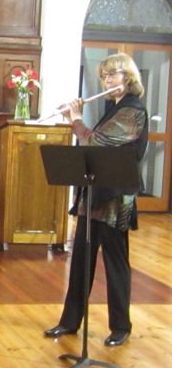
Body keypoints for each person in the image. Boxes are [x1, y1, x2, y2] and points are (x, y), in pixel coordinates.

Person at [44, 53, 148, 347]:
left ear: (128, 77)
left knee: (116, 264)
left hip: (115, 200)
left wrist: (76, 119)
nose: (107, 80)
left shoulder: (134, 110)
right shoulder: (114, 108)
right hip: (95, 194)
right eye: (104, 76)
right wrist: (73, 120)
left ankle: (121, 326)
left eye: (113, 74)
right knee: (80, 260)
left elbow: (96, 141)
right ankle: (70, 321)